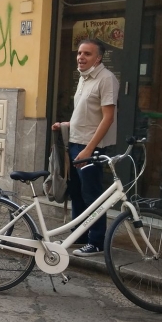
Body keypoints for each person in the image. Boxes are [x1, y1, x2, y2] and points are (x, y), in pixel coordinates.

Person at [52, 38, 119, 256]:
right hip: (75, 142)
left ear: (98, 58)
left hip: (90, 147)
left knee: (92, 195)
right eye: (80, 53)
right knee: (77, 193)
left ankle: (97, 241)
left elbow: (107, 118)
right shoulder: (84, 78)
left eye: (87, 54)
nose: (81, 57)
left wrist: (89, 149)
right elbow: (87, 114)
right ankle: (79, 236)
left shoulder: (106, 79)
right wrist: (65, 125)